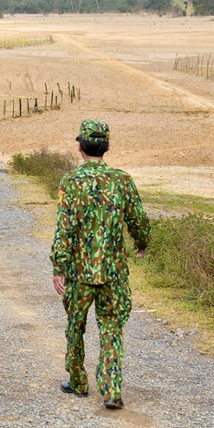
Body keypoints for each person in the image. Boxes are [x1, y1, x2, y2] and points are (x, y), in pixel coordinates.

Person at [50, 119, 151, 410]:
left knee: (75, 325)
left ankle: (78, 382)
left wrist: (59, 266)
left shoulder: (70, 182)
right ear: (106, 147)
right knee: (112, 328)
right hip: (113, 272)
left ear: (80, 147)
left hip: (79, 272)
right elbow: (138, 220)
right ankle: (112, 389)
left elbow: (64, 228)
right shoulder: (122, 180)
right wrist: (141, 242)